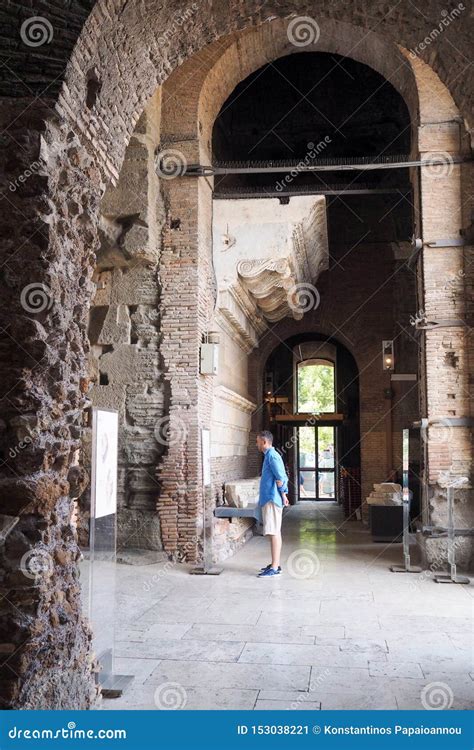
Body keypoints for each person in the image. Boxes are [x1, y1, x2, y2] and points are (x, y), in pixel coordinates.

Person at [255, 430, 289, 577]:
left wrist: (283, 494)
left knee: (274, 532)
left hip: (272, 499)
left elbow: (280, 477)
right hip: (269, 498)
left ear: (264, 442)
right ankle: (276, 564)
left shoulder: (272, 456)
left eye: (257, 442)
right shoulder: (269, 456)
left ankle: (274, 567)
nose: (256, 444)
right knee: (273, 532)